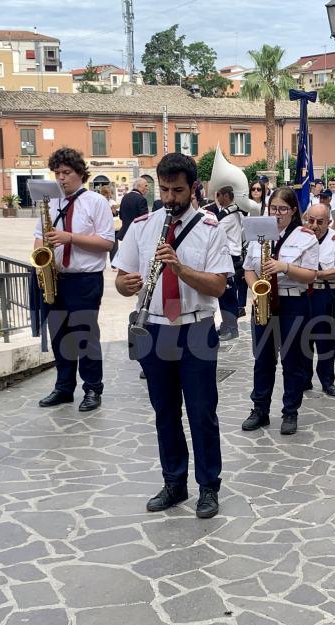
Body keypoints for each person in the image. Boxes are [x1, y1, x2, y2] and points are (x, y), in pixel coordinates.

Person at [113, 153, 233, 519]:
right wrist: (125, 284)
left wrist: (180, 268)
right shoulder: (142, 226)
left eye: (177, 190)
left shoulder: (212, 228)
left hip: (195, 327)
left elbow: (218, 285)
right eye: (164, 189)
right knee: (165, 412)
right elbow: (121, 279)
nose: (169, 198)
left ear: (193, 188)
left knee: (201, 413)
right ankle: (174, 482)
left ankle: (208, 487)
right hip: (154, 327)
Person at [36, 147, 115, 412]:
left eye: (66, 172)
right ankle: (64, 387)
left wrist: (70, 238)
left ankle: (93, 388)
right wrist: (40, 255)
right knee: (59, 335)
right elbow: (39, 235)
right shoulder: (50, 202)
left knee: (84, 335)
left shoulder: (96, 202)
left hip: (85, 278)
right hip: (56, 278)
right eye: (57, 173)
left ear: (80, 173)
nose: (61, 178)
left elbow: (106, 242)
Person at [241, 187, 318, 435]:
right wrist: (257, 288)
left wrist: (284, 266)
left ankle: (290, 412)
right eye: (273, 208)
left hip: (292, 302)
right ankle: (260, 409)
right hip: (264, 301)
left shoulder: (305, 237)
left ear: (293, 210)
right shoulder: (258, 234)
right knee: (262, 358)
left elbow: (310, 276)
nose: (277, 213)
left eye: (282, 209)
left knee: (292, 359)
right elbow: (248, 269)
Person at [303, 203, 335, 396]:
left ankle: (327, 380)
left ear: (329, 222)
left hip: (326, 295)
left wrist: (312, 274)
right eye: (311, 220)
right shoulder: (300, 238)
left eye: (320, 222)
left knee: (326, 341)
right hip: (304, 294)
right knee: (303, 339)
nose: (314, 225)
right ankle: (304, 379)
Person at [214, 185, 245, 341]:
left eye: (219, 195)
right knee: (223, 293)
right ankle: (227, 325)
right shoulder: (234, 212)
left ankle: (232, 328)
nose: (217, 198)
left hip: (230, 256)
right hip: (228, 255)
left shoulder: (229, 215)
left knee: (228, 294)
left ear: (226, 196)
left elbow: (215, 231)